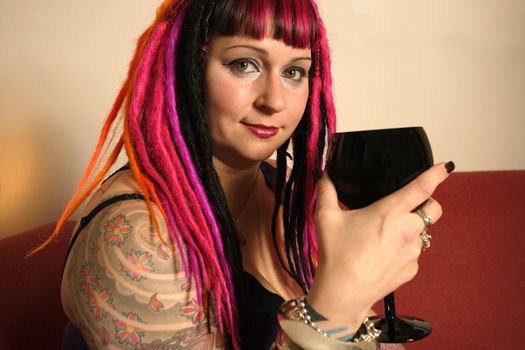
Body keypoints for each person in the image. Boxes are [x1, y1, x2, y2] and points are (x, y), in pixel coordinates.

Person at [33, 0, 454, 349]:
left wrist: (364, 278)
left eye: (294, 72)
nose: (274, 100)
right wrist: (338, 304)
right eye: (244, 64)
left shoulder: (288, 196)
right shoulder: (135, 237)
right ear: (188, 72)